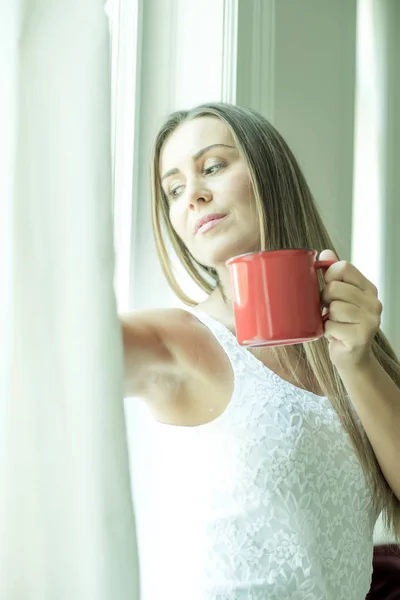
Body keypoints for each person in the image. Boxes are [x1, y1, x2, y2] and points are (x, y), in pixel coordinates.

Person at [120, 103, 400, 599]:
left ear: (270, 173)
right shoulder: (170, 340)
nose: (194, 196)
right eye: (174, 189)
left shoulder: (352, 333)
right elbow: (49, 349)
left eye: (212, 167)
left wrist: (355, 361)